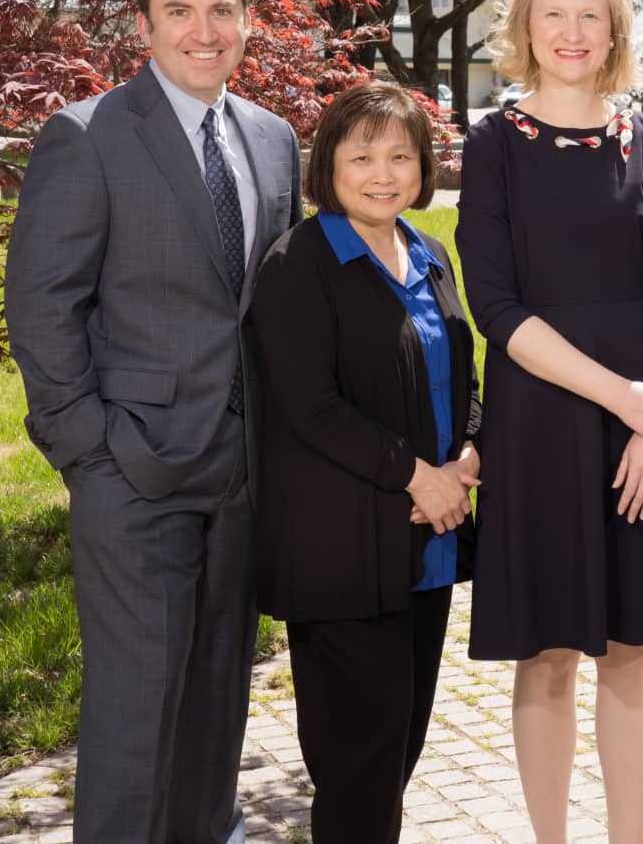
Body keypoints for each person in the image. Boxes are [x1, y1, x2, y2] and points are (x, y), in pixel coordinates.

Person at [3, 0, 302, 841]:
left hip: (243, 477)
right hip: (133, 477)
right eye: (180, 10)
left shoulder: (274, 140)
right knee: (136, 722)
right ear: (142, 23)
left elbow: (269, 305)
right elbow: (43, 308)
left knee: (217, 711)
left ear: (247, 21)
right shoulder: (87, 136)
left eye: (221, 10)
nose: (203, 31)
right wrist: (91, 455)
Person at [455, 0, 643, 844]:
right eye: (552, 13)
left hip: (642, 431)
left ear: (612, 32)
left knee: (634, 652)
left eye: (588, 15)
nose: (570, 31)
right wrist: (624, 398)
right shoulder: (492, 147)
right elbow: (496, 307)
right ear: (524, 27)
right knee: (549, 653)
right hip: (542, 425)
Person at [247, 81, 481, 840]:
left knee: (398, 755)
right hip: (346, 552)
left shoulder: (429, 252)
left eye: (400, 156)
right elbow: (310, 407)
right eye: (362, 156)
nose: (383, 173)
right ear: (329, 165)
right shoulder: (299, 263)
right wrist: (421, 476)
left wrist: (468, 462)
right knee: (358, 769)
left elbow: (463, 380)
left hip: (428, 541)